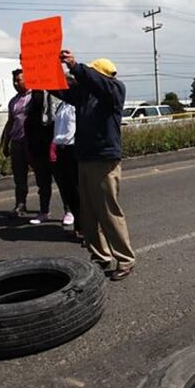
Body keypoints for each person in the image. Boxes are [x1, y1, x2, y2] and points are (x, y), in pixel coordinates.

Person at [54, 52, 136, 281]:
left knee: (108, 212)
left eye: (91, 72)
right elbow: (60, 88)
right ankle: (100, 256)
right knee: (88, 213)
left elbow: (97, 82)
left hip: (104, 160)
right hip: (85, 158)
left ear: (101, 75)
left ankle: (125, 259)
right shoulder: (84, 94)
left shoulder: (115, 90)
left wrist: (75, 66)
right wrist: (43, 69)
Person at [0, 69, 34, 218]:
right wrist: (6, 143)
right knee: (19, 176)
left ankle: (49, 208)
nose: (15, 83)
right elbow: (10, 122)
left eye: (18, 80)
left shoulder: (35, 97)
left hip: (32, 142)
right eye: (14, 81)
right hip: (17, 143)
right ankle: (20, 204)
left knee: (43, 176)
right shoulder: (13, 101)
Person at [24, 89, 57, 224]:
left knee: (63, 184)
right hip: (38, 154)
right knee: (43, 185)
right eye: (35, 93)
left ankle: (68, 210)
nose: (37, 96)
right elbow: (27, 137)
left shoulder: (52, 113)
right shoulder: (30, 114)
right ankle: (44, 211)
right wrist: (30, 154)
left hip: (54, 154)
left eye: (40, 93)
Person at [52, 98, 81, 233]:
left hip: (73, 149)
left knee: (77, 190)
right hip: (61, 149)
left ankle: (85, 228)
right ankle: (78, 226)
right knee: (67, 189)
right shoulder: (61, 106)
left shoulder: (77, 105)